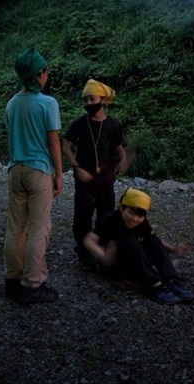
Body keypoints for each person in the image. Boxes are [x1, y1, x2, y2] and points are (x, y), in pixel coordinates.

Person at [4, 47, 63, 304]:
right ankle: (33, 284)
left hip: (15, 170)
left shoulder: (11, 103)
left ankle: (12, 278)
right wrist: (59, 174)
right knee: (39, 228)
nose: (47, 75)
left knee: (16, 226)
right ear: (39, 74)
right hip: (38, 171)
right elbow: (53, 142)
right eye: (45, 71)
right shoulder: (47, 103)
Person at [63, 79, 131, 271]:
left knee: (106, 215)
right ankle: (84, 253)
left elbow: (118, 148)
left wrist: (123, 159)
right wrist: (77, 167)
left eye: (91, 99)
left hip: (106, 179)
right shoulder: (79, 124)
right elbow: (66, 147)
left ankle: (102, 250)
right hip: (84, 180)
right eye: (85, 100)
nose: (88, 104)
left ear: (103, 100)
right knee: (83, 216)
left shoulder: (113, 125)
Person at [83, 187, 194, 305]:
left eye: (140, 216)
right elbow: (89, 240)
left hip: (134, 260)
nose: (135, 219)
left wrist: (172, 249)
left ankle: (170, 280)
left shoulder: (142, 222)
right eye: (131, 213)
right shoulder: (111, 220)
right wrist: (103, 256)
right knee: (129, 241)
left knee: (154, 239)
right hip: (115, 265)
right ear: (122, 207)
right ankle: (153, 285)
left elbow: (153, 239)